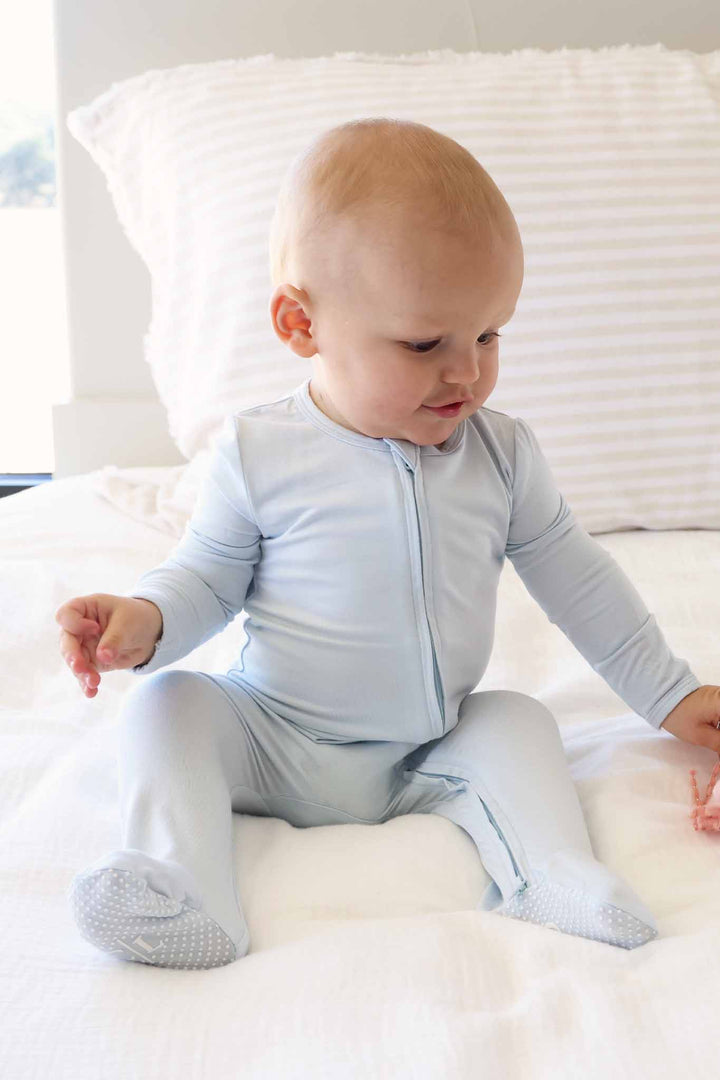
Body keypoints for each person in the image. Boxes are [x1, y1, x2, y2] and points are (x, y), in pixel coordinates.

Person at [57, 118, 705, 970]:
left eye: (489, 334)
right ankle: (182, 885)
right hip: (274, 738)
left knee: (515, 718)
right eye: (425, 343)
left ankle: (549, 873)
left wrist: (671, 695)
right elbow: (208, 579)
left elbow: (578, 580)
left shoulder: (501, 456)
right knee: (168, 706)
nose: (467, 372)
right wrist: (144, 617)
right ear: (300, 324)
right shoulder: (258, 452)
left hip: (429, 745)